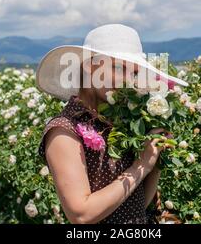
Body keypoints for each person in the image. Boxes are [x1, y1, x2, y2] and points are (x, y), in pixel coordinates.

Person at [36, 24, 188, 224]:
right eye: (119, 68)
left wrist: (155, 161)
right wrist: (141, 165)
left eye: (134, 72)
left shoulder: (118, 124)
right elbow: (81, 214)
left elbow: (135, 205)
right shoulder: (64, 130)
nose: (128, 80)